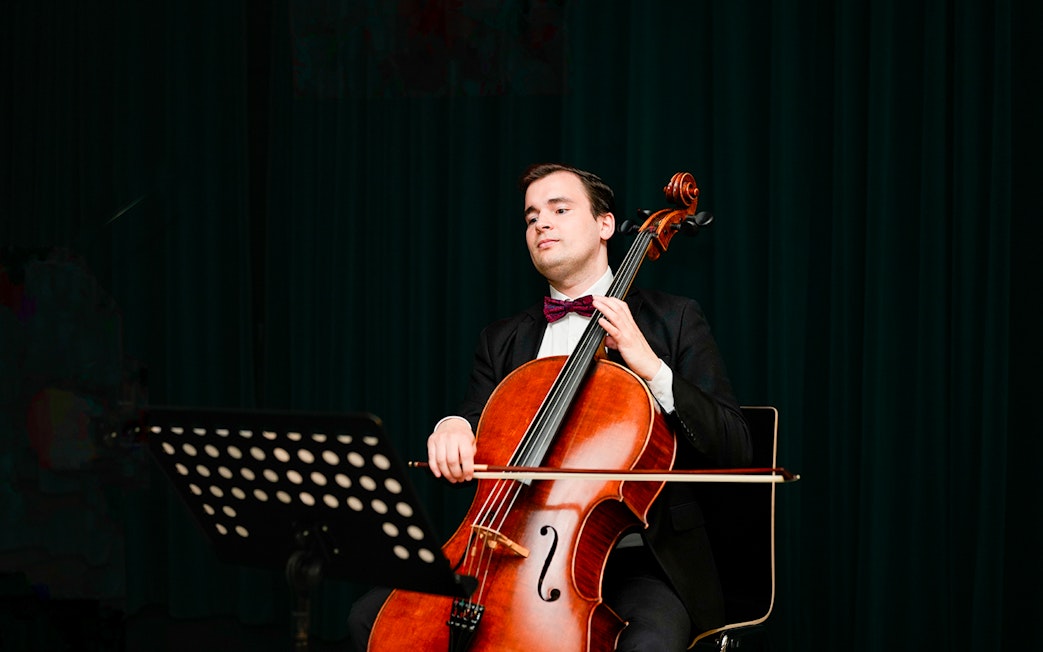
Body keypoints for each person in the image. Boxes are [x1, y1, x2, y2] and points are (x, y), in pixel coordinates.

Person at [349, 163, 751, 651]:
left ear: (606, 226)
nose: (541, 223)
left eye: (560, 209)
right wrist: (452, 425)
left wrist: (651, 368)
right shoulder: (502, 340)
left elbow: (734, 442)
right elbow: (473, 418)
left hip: (638, 559)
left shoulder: (675, 319)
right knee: (374, 617)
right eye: (531, 215)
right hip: (506, 550)